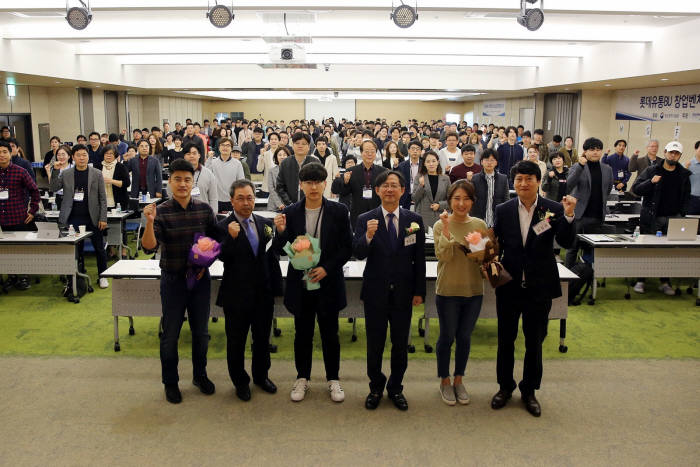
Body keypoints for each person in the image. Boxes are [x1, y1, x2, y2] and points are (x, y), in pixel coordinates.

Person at [491, 160, 577, 417]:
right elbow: (497, 242)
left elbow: (565, 240)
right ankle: (505, 387)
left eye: (529, 179)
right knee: (506, 340)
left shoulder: (552, 208)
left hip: (539, 286)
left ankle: (529, 391)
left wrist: (570, 215)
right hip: (509, 286)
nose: (523, 184)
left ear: (538, 182)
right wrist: (484, 252)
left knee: (534, 342)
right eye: (519, 179)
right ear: (513, 183)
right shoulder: (504, 209)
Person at [273, 163, 353, 403]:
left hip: (327, 282)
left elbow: (346, 248)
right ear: (301, 185)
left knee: (331, 333)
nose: (314, 186)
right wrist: (280, 232)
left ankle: (333, 379)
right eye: (308, 182)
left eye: (318, 181)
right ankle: (302, 378)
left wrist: (326, 268)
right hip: (301, 283)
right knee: (302, 333)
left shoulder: (339, 211)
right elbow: (279, 249)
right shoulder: (291, 212)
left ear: (325, 184)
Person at [141, 158, 219, 404]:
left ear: (193, 181)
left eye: (187, 179)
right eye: (177, 179)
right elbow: (148, 247)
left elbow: (217, 243)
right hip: (173, 281)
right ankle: (171, 382)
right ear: (170, 182)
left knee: (201, 333)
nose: (183, 184)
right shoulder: (160, 211)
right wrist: (150, 223)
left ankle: (200, 375)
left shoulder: (204, 210)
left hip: (199, 281)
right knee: (171, 334)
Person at [353, 170, 426, 411]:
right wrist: (368, 236)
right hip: (375, 292)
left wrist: (419, 291)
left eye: (394, 185)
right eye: (384, 185)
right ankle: (376, 386)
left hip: (403, 293)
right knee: (374, 343)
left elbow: (419, 260)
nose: (389, 189)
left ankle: (395, 388)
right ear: (377, 190)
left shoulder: (413, 220)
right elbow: (358, 252)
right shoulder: (366, 218)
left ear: (403, 190)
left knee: (399, 344)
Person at [217, 179, 281, 401]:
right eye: (241, 198)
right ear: (232, 200)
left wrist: (276, 288)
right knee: (236, 341)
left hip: (263, 293)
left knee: (262, 339)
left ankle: (261, 376)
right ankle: (240, 381)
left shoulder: (266, 223)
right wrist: (232, 239)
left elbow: (272, 257)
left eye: (250, 198)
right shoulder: (224, 226)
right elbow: (222, 257)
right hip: (236, 295)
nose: (246, 203)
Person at [432, 180, 486, 406]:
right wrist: (446, 228)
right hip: (448, 290)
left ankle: (459, 379)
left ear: (473, 201)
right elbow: (443, 256)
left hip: (474, 291)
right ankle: (444, 380)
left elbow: (485, 259)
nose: (461, 203)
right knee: (447, 337)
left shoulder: (479, 224)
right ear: (449, 200)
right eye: (457, 199)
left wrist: (480, 251)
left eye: (466, 199)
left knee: (464, 337)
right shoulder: (439, 225)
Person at [631, 141, 692, 295]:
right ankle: (641, 280)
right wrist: (651, 182)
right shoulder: (652, 170)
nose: (673, 155)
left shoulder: (683, 174)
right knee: (647, 250)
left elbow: (686, 198)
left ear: (680, 156)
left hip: (673, 219)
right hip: (652, 218)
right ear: (665, 152)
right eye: (671, 152)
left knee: (668, 252)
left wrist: (681, 215)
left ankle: (665, 282)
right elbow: (636, 189)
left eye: (676, 153)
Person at [49, 144, 109, 289]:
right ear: (73, 157)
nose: (82, 158)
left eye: (84, 155)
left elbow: (102, 198)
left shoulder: (96, 173)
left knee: (99, 248)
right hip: (73, 217)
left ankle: (103, 275)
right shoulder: (67, 173)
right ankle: (77, 275)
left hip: (92, 217)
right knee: (76, 249)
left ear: (88, 157)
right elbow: (53, 187)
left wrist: (103, 218)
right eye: (78, 155)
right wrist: (56, 170)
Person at [565, 137, 614, 268]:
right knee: (573, 248)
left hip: (598, 216)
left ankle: (589, 277)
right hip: (580, 216)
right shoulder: (578, 166)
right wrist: (580, 166)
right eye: (592, 149)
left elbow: (607, 190)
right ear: (585, 151)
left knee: (593, 250)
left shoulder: (607, 169)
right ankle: (568, 280)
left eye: (598, 150)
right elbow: (568, 186)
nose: (595, 152)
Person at [0, 140, 40, 290]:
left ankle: (24, 277)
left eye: (4, 152)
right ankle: (11, 276)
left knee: (21, 249)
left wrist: (32, 210)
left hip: (18, 217)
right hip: (2, 220)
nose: (2, 155)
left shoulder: (20, 171)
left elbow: (35, 191)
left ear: (11, 154)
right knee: (6, 250)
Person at [338, 140, 388, 229]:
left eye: (372, 151)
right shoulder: (351, 171)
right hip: (357, 213)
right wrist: (345, 182)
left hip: (377, 212)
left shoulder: (383, 172)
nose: (370, 154)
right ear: (361, 153)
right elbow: (344, 192)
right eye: (367, 151)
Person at [275, 133, 320, 207]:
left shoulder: (315, 162)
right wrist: (289, 203)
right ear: (292, 145)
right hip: (290, 205)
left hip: (311, 204)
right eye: (297, 143)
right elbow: (280, 187)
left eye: (303, 144)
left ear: (308, 147)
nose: (300, 146)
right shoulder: (285, 163)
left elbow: (319, 184)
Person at [470, 149, 509, 228]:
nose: (489, 163)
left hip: (497, 221)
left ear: (496, 162)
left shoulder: (503, 178)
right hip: (479, 220)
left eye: (492, 160)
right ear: (481, 162)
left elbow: (506, 199)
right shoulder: (475, 179)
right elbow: (471, 200)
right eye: (486, 160)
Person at [205, 137, 245, 212]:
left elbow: (241, 182)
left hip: (232, 200)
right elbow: (206, 175)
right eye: (223, 145)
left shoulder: (237, 164)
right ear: (219, 148)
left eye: (228, 145)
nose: (225, 147)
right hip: (216, 200)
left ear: (231, 148)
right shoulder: (213, 162)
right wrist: (209, 159)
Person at [412, 151, 449, 228]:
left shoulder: (445, 178)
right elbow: (414, 199)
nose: (431, 164)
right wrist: (421, 185)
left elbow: (451, 200)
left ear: (438, 162)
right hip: (423, 218)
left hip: (440, 217)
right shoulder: (419, 177)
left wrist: (440, 205)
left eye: (433, 161)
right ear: (424, 164)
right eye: (428, 161)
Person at [176, 143, 218, 213]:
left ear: (199, 155)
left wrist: (212, 216)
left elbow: (213, 198)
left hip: (204, 216)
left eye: (194, 153)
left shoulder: (209, 174)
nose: (191, 156)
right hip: (182, 216)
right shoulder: (177, 174)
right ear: (184, 156)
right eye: (188, 154)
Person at [101, 144, 130, 211]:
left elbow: (127, 183)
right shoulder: (98, 167)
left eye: (111, 153)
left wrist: (112, 181)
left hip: (119, 201)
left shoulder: (121, 167)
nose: (108, 155)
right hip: (102, 202)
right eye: (106, 153)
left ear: (115, 155)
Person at [396, 140, 422, 210]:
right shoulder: (402, 165)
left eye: (417, 149)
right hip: (405, 196)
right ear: (409, 150)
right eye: (413, 149)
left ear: (421, 152)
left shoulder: (425, 165)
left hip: (420, 195)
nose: (415, 151)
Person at [256, 131, 280, 196]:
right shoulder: (265, 154)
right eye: (271, 139)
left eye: (275, 139)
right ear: (269, 141)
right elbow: (259, 169)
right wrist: (261, 156)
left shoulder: (283, 154)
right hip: (267, 187)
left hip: (280, 187)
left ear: (279, 141)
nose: (273, 141)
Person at [267, 146, 289, 212]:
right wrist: (279, 204)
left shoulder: (293, 171)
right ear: (276, 157)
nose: (282, 157)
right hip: (274, 205)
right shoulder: (271, 171)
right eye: (279, 155)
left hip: (289, 205)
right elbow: (271, 189)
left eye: (284, 155)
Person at [687, 141, 700, 215]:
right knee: (691, 223)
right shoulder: (688, 164)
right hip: (692, 199)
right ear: (696, 149)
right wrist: (685, 169)